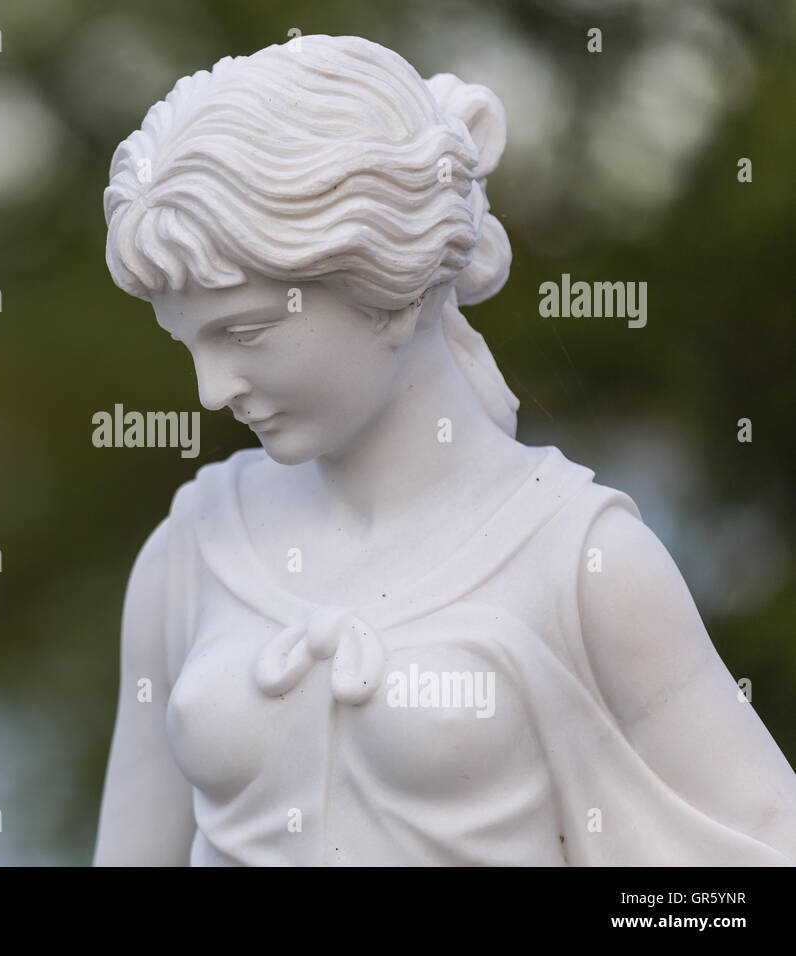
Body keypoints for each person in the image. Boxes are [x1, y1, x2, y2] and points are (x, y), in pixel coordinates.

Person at [92, 34, 796, 865]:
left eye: (244, 331)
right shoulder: (190, 552)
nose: (211, 391)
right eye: (189, 345)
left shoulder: (584, 563)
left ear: (384, 284)